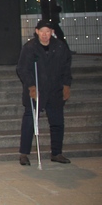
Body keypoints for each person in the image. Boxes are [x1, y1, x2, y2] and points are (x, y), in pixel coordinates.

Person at [17, 20, 72, 166]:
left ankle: (57, 153)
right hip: (36, 91)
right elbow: (22, 68)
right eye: (42, 31)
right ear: (37, 31)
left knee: (57, 123)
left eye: (48, 31)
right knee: (29, 123)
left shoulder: (60, 46)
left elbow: (66, 67)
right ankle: (24, 153)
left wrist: (66, 85)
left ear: (52, 32)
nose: (45, 34)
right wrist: (31, 86)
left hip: (55, 90)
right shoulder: (30, 47)